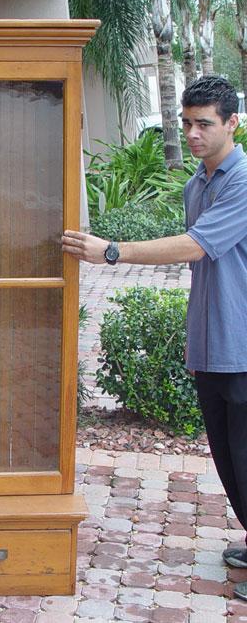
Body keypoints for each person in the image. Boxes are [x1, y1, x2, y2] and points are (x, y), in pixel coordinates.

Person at [62, 75, 247, 601]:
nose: (192, 133)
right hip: (211, 340)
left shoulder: (242, 182)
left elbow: (195, 247)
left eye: (203, 124)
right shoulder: (197, 184)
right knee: (229, 457)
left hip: (243, 342)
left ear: (232, 123)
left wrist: (113, 251)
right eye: (186, 122)